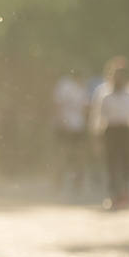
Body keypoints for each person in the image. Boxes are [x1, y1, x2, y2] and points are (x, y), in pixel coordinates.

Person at [89, 56, 129, 210]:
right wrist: (96, 138)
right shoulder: (103, 92)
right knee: (111, 164)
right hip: (110, 131)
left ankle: (125, 193)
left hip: (127, 130)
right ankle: (114, 195)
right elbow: (97, 116)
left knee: (127, 163)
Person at [51, 68, 94, 197]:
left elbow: (86, 108)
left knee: (79, 156)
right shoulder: (65, 85)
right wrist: (61, 122)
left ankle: (77, 183)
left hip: (78, 127)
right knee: (62, 154)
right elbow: (58, 105)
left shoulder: (83, 88)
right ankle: (58, 181)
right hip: (64, 126)